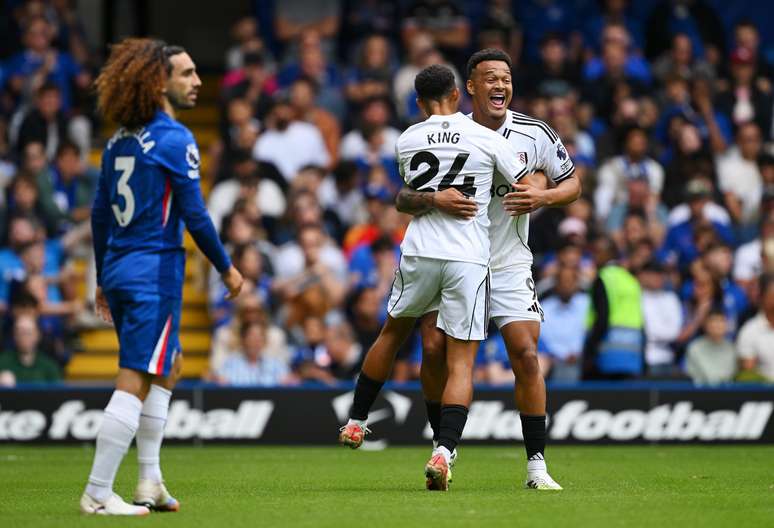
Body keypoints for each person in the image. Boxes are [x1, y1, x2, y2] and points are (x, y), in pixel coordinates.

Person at [394, 49, 581, 490]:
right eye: (490, 79)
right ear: (470, 88)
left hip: (509, 259)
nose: (501, 86)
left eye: (507, 79)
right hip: (457, 256)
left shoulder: (534, 132)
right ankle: (443, 448)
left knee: (526, 353)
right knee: (435, 350)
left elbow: (571, 182)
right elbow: (405, 195)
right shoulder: (446, 134)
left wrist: (544, 196)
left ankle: (537, 465)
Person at [338, 63, 528, 492]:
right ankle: (443, 451)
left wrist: (434, 198)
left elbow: (405, 199)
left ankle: (355, 421)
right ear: (458, 95)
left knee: (390, 333)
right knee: (461, 360)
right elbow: (522, 183)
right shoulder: (485, 137)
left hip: (420, 251)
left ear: (420, 103)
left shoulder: (406, 138)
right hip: (467, 258)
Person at [81, 39, 243, 516]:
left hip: (123, 265)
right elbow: (195, 215)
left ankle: (149, 480)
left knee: (167, 367)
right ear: (159, 82)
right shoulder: (175, 139)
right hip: (153, 268)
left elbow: (98, 214)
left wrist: (100, 276)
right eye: (186, 73)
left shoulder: (118, 140)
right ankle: (96, 491)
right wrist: (226, 268)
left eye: (196, 73)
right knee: (135, 374)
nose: (197, 82)